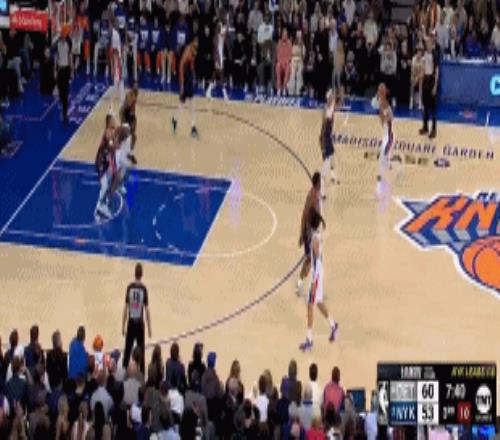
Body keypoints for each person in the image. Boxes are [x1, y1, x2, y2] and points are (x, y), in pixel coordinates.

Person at [299, 208, 339, 351]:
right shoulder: (316, 236)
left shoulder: (315, 238)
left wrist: (308, 263)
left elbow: (315, 257)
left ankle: (309, 340)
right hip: (318, 274)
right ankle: (333, 325)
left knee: (310, 305)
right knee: (319, 302)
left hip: (316, 276)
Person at [296, 172, 324, 296]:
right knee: (309, 259)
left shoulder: (317, 194)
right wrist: (302, 234)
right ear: (317, 183)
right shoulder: (311, 196)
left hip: (314, 231)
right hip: (309, 232)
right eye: (320, 181)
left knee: (315, 260)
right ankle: (300, 283)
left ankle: (311, 286)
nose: (321, 183)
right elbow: (304, 214)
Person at [122, 262, 151, 373]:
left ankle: (124, 372)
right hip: (140, 325)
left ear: (134, 273)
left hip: (131, 323)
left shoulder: (129, 288)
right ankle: (142, 373)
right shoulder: (143, 289)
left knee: (127, 350)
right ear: (141, 274)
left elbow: (125, 308)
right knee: (141, 351)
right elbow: (147, 310)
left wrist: (123, 326)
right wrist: (149, 328)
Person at [171, 36, 199, 138]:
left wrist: (193, 75)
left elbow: (192, 64)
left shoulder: (194, 49)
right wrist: (182, 85)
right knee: (188, 102)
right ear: (192, 42)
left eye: (198, 42)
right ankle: (192, 127)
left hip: (189, 76)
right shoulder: (187, 51)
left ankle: (177, 120)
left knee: (187, 102)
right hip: (185, 77)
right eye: (196, 42)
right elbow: (181, 66)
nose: (197, 43)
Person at [373, 83, 394, 198]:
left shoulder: (385, 104)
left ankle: (378, 189)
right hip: (386, 136)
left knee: (381, 164)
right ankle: (388, 162)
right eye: (379, 90)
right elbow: (383, 121)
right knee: (382, 164)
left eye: (381, 90)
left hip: (389, 137)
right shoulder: (381, 104)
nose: (380, 92)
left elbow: (387, 120)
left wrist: (383, 113)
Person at [94, 113, 117, 220]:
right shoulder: (108, 133)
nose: (114, 120)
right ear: (109, 122)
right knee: (105, 185)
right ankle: (101, 207)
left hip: (106, 162)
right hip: (101, 162)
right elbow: (112, 147)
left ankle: (100, 205)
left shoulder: (111, 132)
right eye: (113, 119)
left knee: (106, 184)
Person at [320, 89, 341, 199]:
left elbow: (337, 106)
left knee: (332, 158)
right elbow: (332, 109)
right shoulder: (327, 111)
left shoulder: (330, 108)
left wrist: (339, 95)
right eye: (331, 98)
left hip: (327, 138)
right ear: (328, 99)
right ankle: (321, 190)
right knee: (326, 164)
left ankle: (333, 177)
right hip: (324, 139)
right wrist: (323, 146)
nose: (333, 99)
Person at [419, 37, 439, 139]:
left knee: (433, 108)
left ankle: (434, 129)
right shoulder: (424, 55)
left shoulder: (435, 55)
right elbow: (423, 69)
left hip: (432, 80)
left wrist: (435, 85)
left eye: (429, 43)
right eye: (426, 43)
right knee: (425, 106)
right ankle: (425, 127)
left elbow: (437, 71)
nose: (428, 45)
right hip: (426, 80)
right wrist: (421, 81)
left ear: (432, 44)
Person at [55, 29, 73, 124]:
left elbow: (70, 57)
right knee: (60, 90)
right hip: (60, 70)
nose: (62, 35)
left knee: (65, 91)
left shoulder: (68, 44)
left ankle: (65, 113)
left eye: (64, 34)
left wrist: (72, 71)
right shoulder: (57, 44)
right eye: (61, 34)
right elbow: (56, 57)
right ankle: (63, 103)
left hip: (66, 69)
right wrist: (55, 70)